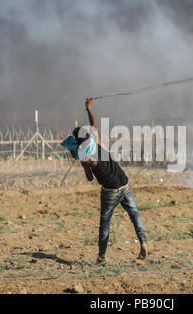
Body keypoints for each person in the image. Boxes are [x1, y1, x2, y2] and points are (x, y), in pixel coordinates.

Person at [61, 98, 147, 264]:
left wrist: (86, 166)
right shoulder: (95, 139)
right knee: (134, 213)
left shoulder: (85, 158)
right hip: (124, 181)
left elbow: (89, 178)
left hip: (110, 191)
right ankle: (142, 241)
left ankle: (101, 257)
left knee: (105, 222)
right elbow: (93, 123)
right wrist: (89, 108)